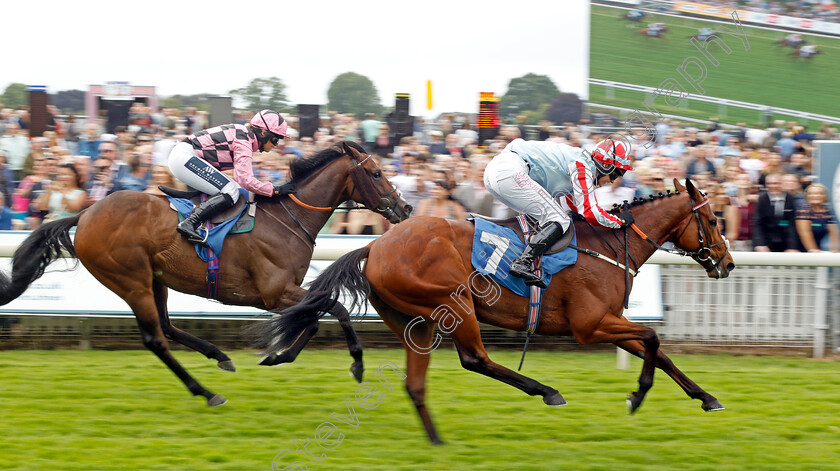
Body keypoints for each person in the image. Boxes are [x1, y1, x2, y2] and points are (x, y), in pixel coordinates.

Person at [483, 138, 631, 287]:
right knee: (559, 219)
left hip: (498, 172)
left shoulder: (580, 163)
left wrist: (606, 216)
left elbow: (570, 204)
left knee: (552, 217)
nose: (613, 181)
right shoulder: (583, 166)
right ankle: (523, 263)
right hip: (509, 171)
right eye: (615, 174)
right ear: (605, 165)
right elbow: (589, 212)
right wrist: (619, 221)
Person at [167, 109, 288, 244]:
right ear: (263, 132)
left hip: (186, 157)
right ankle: (190, 223)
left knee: (238, 192)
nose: (276, 145)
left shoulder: (245, 136)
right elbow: (246, 180)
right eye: (276, 139)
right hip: (184, 157)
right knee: (231, 191)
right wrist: (275, 190)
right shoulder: (244, 139)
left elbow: (241, 182)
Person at [795, 183, 838, 253]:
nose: (815, 196)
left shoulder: (827, 210)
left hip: (818, 249)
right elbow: (804, 233)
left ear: (825, 196)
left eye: (819, 193)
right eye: (811, 194)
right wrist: (813, 250)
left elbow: (833, 232)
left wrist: (834, 249)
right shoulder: (803, 210)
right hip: (801, 251)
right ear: (807, 196)